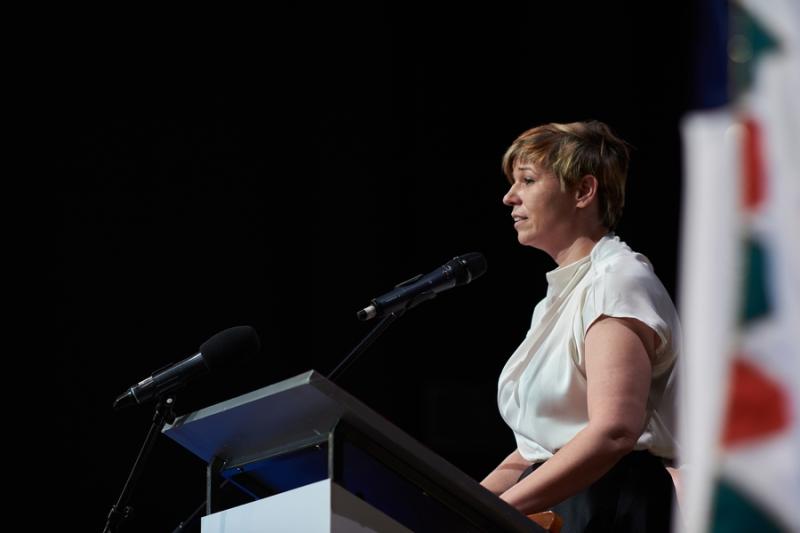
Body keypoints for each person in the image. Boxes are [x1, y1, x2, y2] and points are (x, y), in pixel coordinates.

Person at [480, 121, 680, 532]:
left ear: (583, 191)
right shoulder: (554, 303)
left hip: (609, 506)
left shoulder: (616, 281)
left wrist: (490, 513)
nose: (509, 196)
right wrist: (449, 505)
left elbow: (614, 431)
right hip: (561, 502)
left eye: (527, 180)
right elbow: (531, 453)